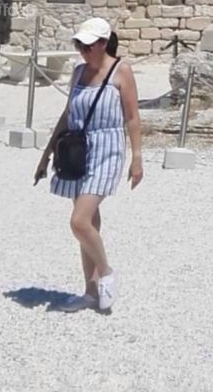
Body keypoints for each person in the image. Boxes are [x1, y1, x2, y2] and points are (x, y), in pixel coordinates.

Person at [34, 16, 143, 312]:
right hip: (78, 151)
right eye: (79, 44)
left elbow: (132, 117)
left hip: (108, 150)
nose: (83, 50)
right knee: (90, 221)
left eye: (88, 45)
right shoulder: (79, 72)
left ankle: (106, 272)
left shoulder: (122, 72)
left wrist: (137, 158)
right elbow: (68, 113)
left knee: (79, 222)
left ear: (103, 44)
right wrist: (46, 155)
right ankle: (90, 292)